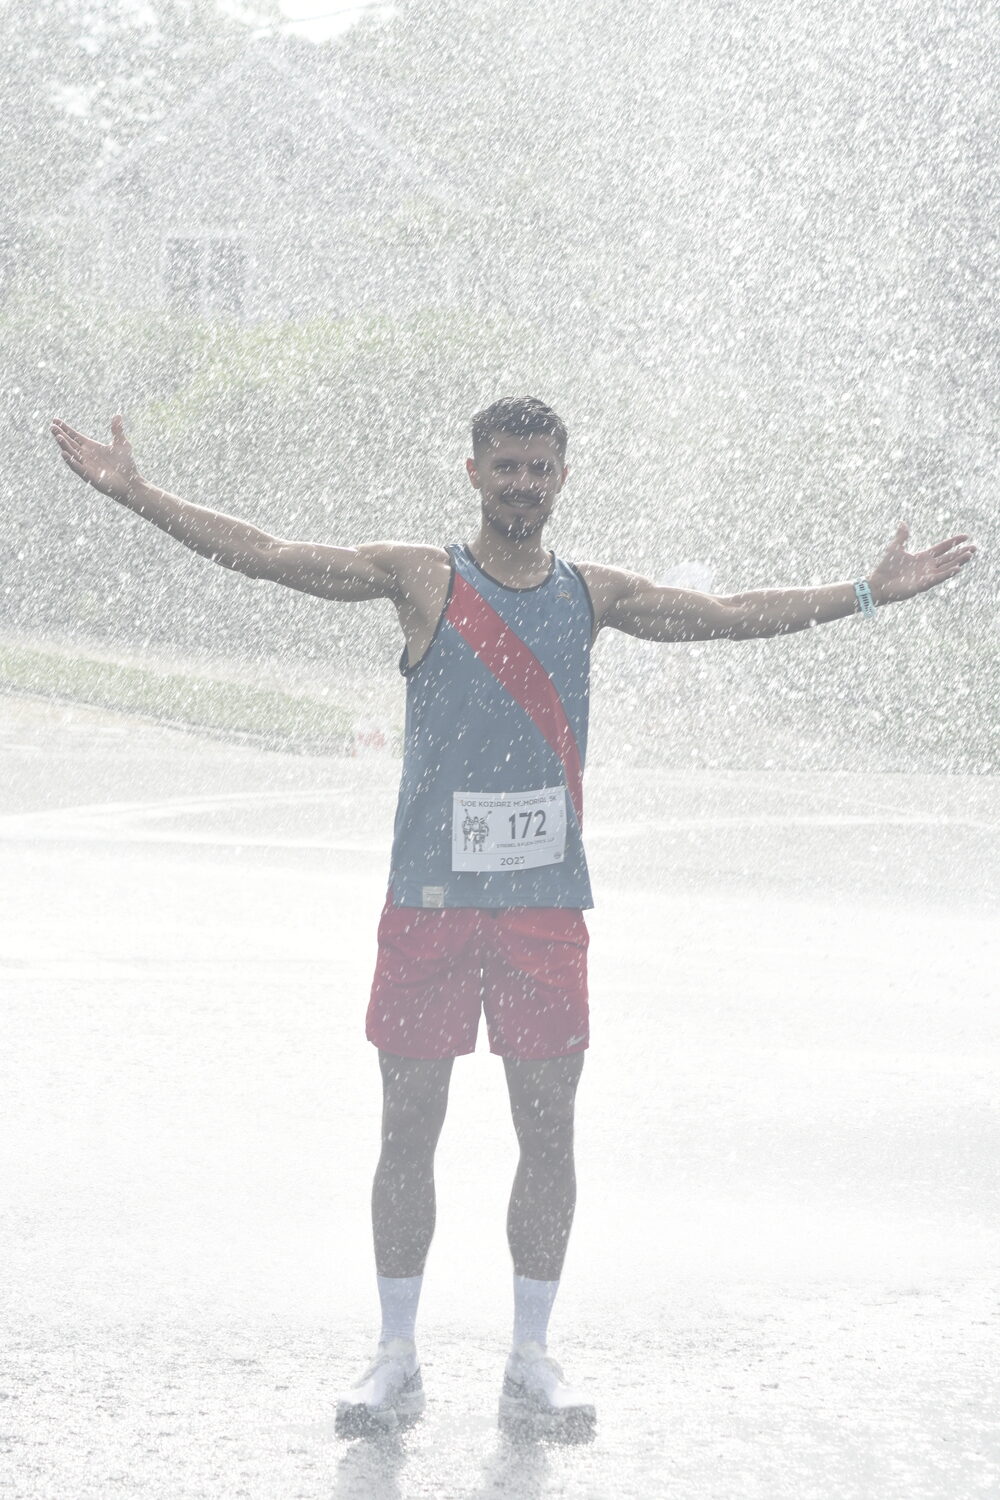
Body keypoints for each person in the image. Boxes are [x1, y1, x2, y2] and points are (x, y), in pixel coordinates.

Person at [50, 397, 976, 1440]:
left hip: (543, 912)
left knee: (548, 1133)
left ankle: (531, 1354)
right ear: (473, 472)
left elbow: (724, 619)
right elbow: (267, 554)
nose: (522, 485)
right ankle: (394, 1356)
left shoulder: (591, 596)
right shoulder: (424, 579)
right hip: (428, 907)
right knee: (409, 1132)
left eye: (539, 469)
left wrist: (864, 592)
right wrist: (138, 495)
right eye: (506, 468)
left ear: (562, 477)